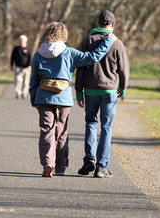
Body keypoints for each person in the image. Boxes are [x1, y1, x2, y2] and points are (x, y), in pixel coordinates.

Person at [29, 22, 117, 177]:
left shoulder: (38, 53)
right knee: (61, 132)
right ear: (63, 35)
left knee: (46, 131)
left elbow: (33, 80)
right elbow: (92, 57)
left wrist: (33, 99)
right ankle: (61, 167)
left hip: (43, 97)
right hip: (63, 98)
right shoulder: (69, 52)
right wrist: (108, 41)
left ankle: (48, 164)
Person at [75, 10, 130, 178]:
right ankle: (101, 166)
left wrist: (78, 92)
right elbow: (124, 69)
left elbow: (80, 68)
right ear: (112, 25)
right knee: (106, 127)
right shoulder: (117, 43)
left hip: (90, 91)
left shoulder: (87, 41)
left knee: (91, 124)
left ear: (98, 23)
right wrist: (122, 88)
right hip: (109, 91)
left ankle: (88, 161)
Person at [10, 35, 32, 99]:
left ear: (26, 41)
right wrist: (11, 65)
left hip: (26, 68)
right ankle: (18, 93)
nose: (22, 42)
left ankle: (24, 93)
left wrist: (29, 66)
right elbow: (12, 57)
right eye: (21, 41)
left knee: (26, 82)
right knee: (18, 80)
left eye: (23, 41)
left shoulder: (28, 49)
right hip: (18, 67)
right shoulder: (16, 49)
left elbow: (30, 58)